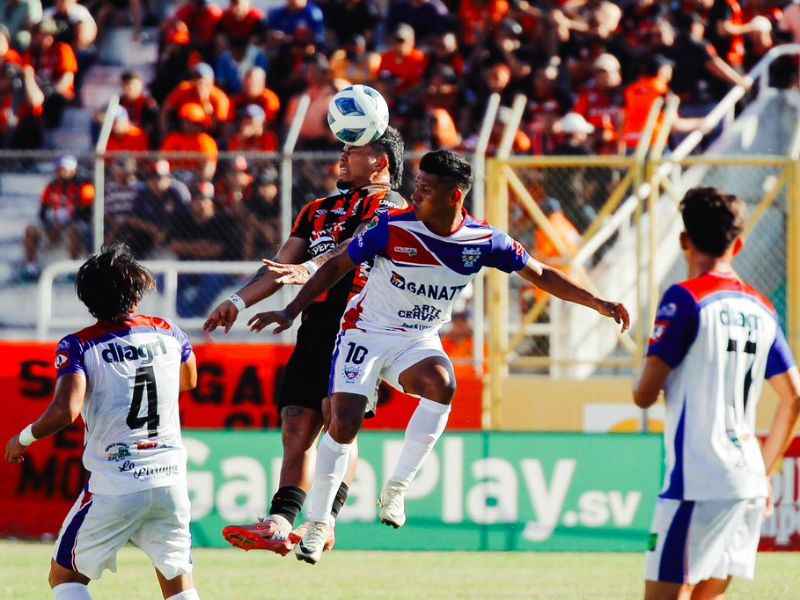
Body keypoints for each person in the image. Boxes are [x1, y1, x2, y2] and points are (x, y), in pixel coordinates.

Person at [248, 150, 630, 564]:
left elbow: (540, 273)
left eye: (426, 189)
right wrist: (290, 310)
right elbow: (337, 264)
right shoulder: (391, 228)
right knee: (343, 420)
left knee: (443, 384)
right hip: (365, 332)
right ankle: (319, 523)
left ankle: (396, 488)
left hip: (417, 338)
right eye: (417, 184)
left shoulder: (484, 241)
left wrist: (597, 302)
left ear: (455, 196)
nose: (416, 193)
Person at [203, 127, 408, 556]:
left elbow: (358, 245)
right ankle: (279, 522)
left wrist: (311, 267)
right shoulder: (316, 210)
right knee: (297, 424)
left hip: (360, 328)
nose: (343, 155)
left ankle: (325, 520)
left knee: (339, 421)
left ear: (381, 161)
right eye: (343, 148)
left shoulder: (390, 204)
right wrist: (237, 302)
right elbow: (280, 265)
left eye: (354, 149)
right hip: (314, 325)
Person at [4, 244, 200, 600]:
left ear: (88, 299)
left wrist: (24, 438)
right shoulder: (170, 333)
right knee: (177, 582)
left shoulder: (79, 345)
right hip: (170, 478)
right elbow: (189, 380)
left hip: (116, 482)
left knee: (65, 577)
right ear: (137, 292)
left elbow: (66, 410)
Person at [633, 187, 800, 600]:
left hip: (698, 482)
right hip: (747, 483)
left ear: (684, 241)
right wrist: (764, 471)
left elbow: (644, 394)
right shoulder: (763, 308)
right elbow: (794, 397)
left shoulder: (684, 299)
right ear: (738, 244)